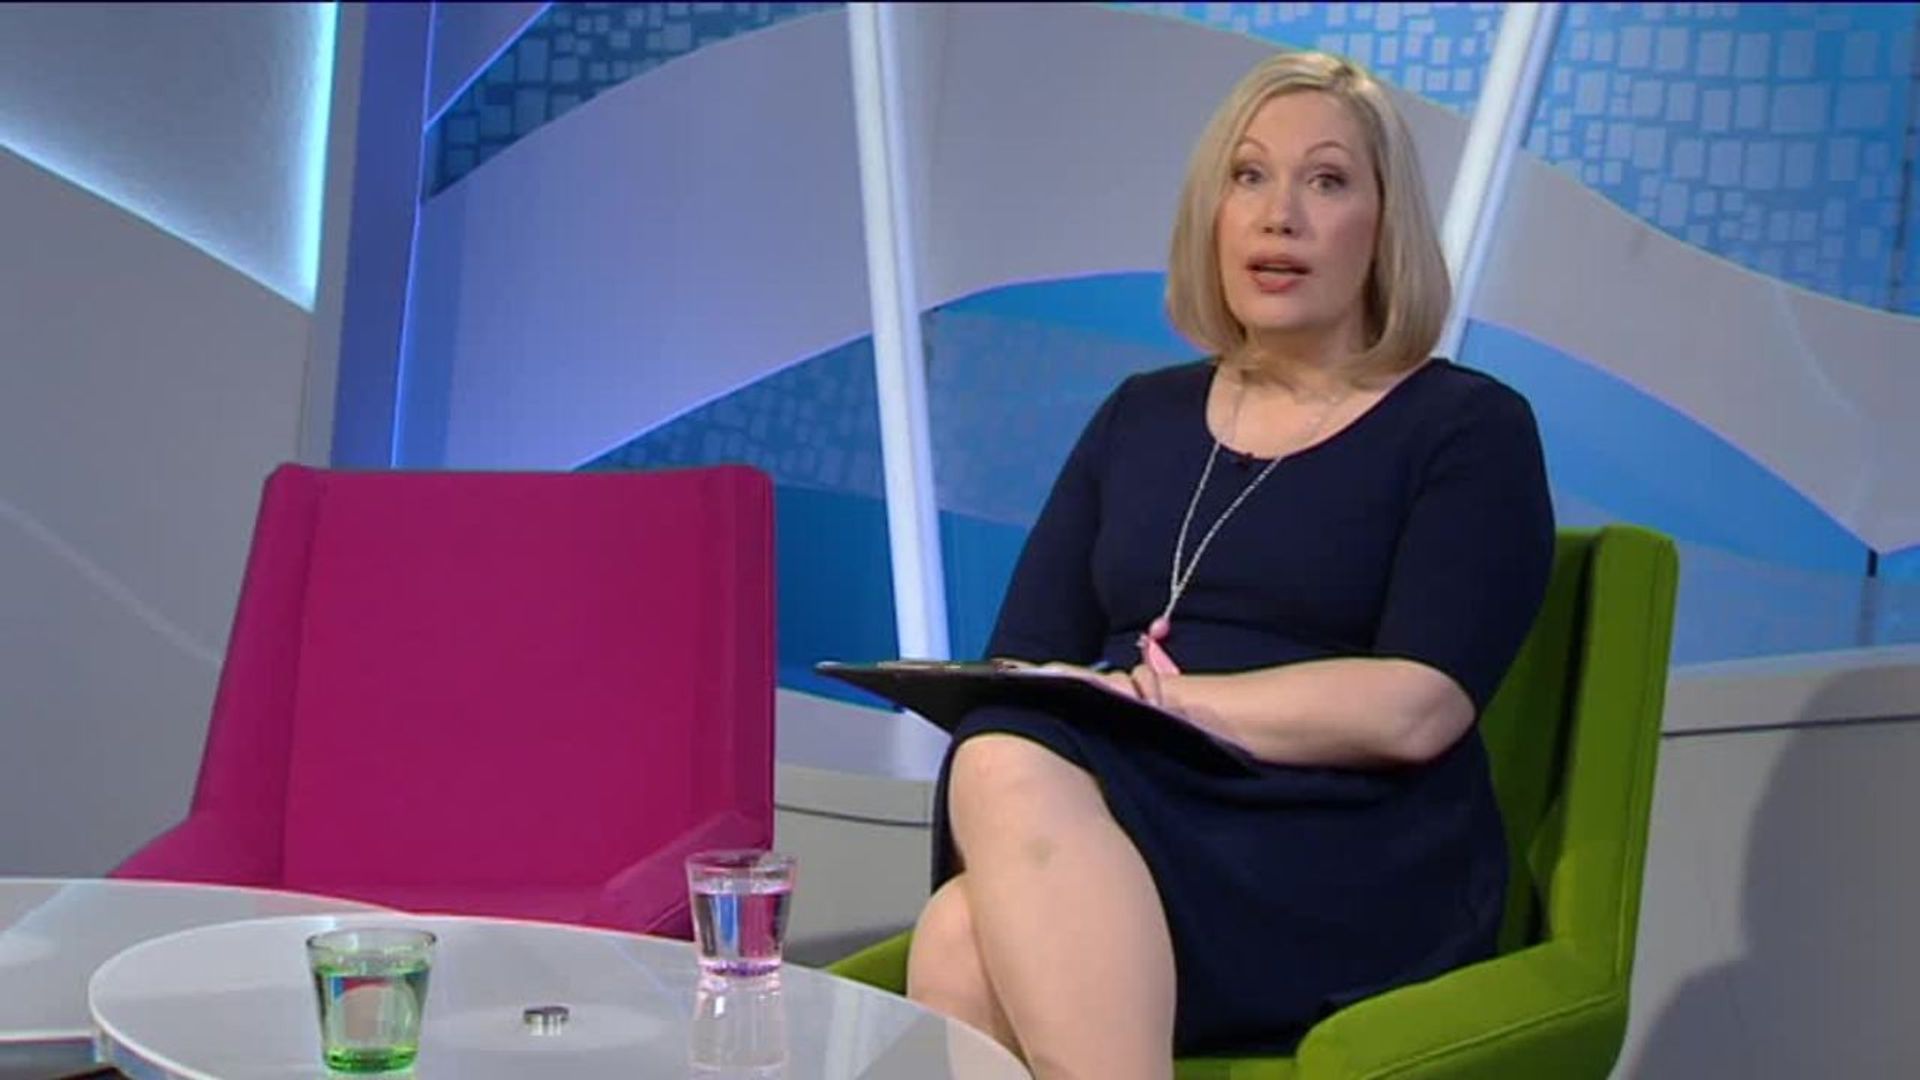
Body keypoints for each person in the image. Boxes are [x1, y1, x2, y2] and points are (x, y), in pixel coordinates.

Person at [903, 50, 1556, 1079]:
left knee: (993, 788)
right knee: (959, 924)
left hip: (1342, 849)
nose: (1279, 216)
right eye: (1249, 176)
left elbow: (1417, 706)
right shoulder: (1140, 416)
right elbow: (1022, 664)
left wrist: (1164, 704)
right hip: (1136, 819)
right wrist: (1108, 710)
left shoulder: (1466, 426)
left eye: (1326, 181)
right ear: (1212, 213)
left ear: (1385, 225)